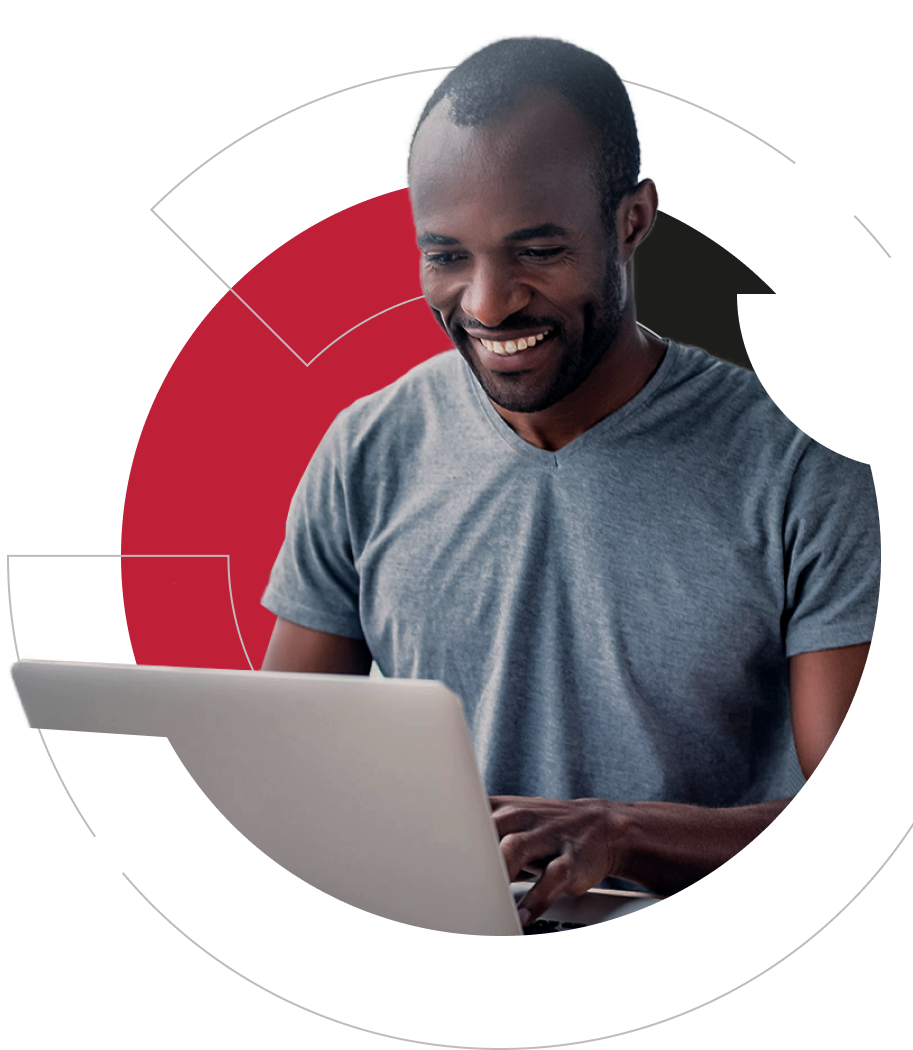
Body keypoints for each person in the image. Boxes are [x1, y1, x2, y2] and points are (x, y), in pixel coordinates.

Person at [260, 34, 880, 926]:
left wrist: (620, 833)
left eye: (537, 252)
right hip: (430, 974)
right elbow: (276, 765)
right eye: (446, 256)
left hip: (702, 983)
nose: (486, 302)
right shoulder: (366, 452)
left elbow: (864, 823)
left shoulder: (795, 467)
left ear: (632, 220)